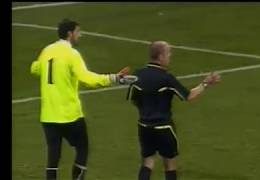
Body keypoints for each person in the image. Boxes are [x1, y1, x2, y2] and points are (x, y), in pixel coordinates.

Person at [30, 18, 131, 180]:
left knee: (53, 156)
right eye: (78, 32)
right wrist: (113, 78)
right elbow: (87, 78)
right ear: (70, 34)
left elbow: (34, 69)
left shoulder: (47, 50)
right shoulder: (72, 54)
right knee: (82, 147)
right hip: (69, 115)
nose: (80, 35)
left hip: (48, 115)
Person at [126, 41, 221, 180]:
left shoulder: (138, 75)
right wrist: (206, 83)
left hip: (144, 126)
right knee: (169, 164)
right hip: (164, 127)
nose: (170, 56)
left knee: (147, 161)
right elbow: (189, 96)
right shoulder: (166, 78)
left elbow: (133, 99)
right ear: (160, 56)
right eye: (168, 53)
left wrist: (146, 110)